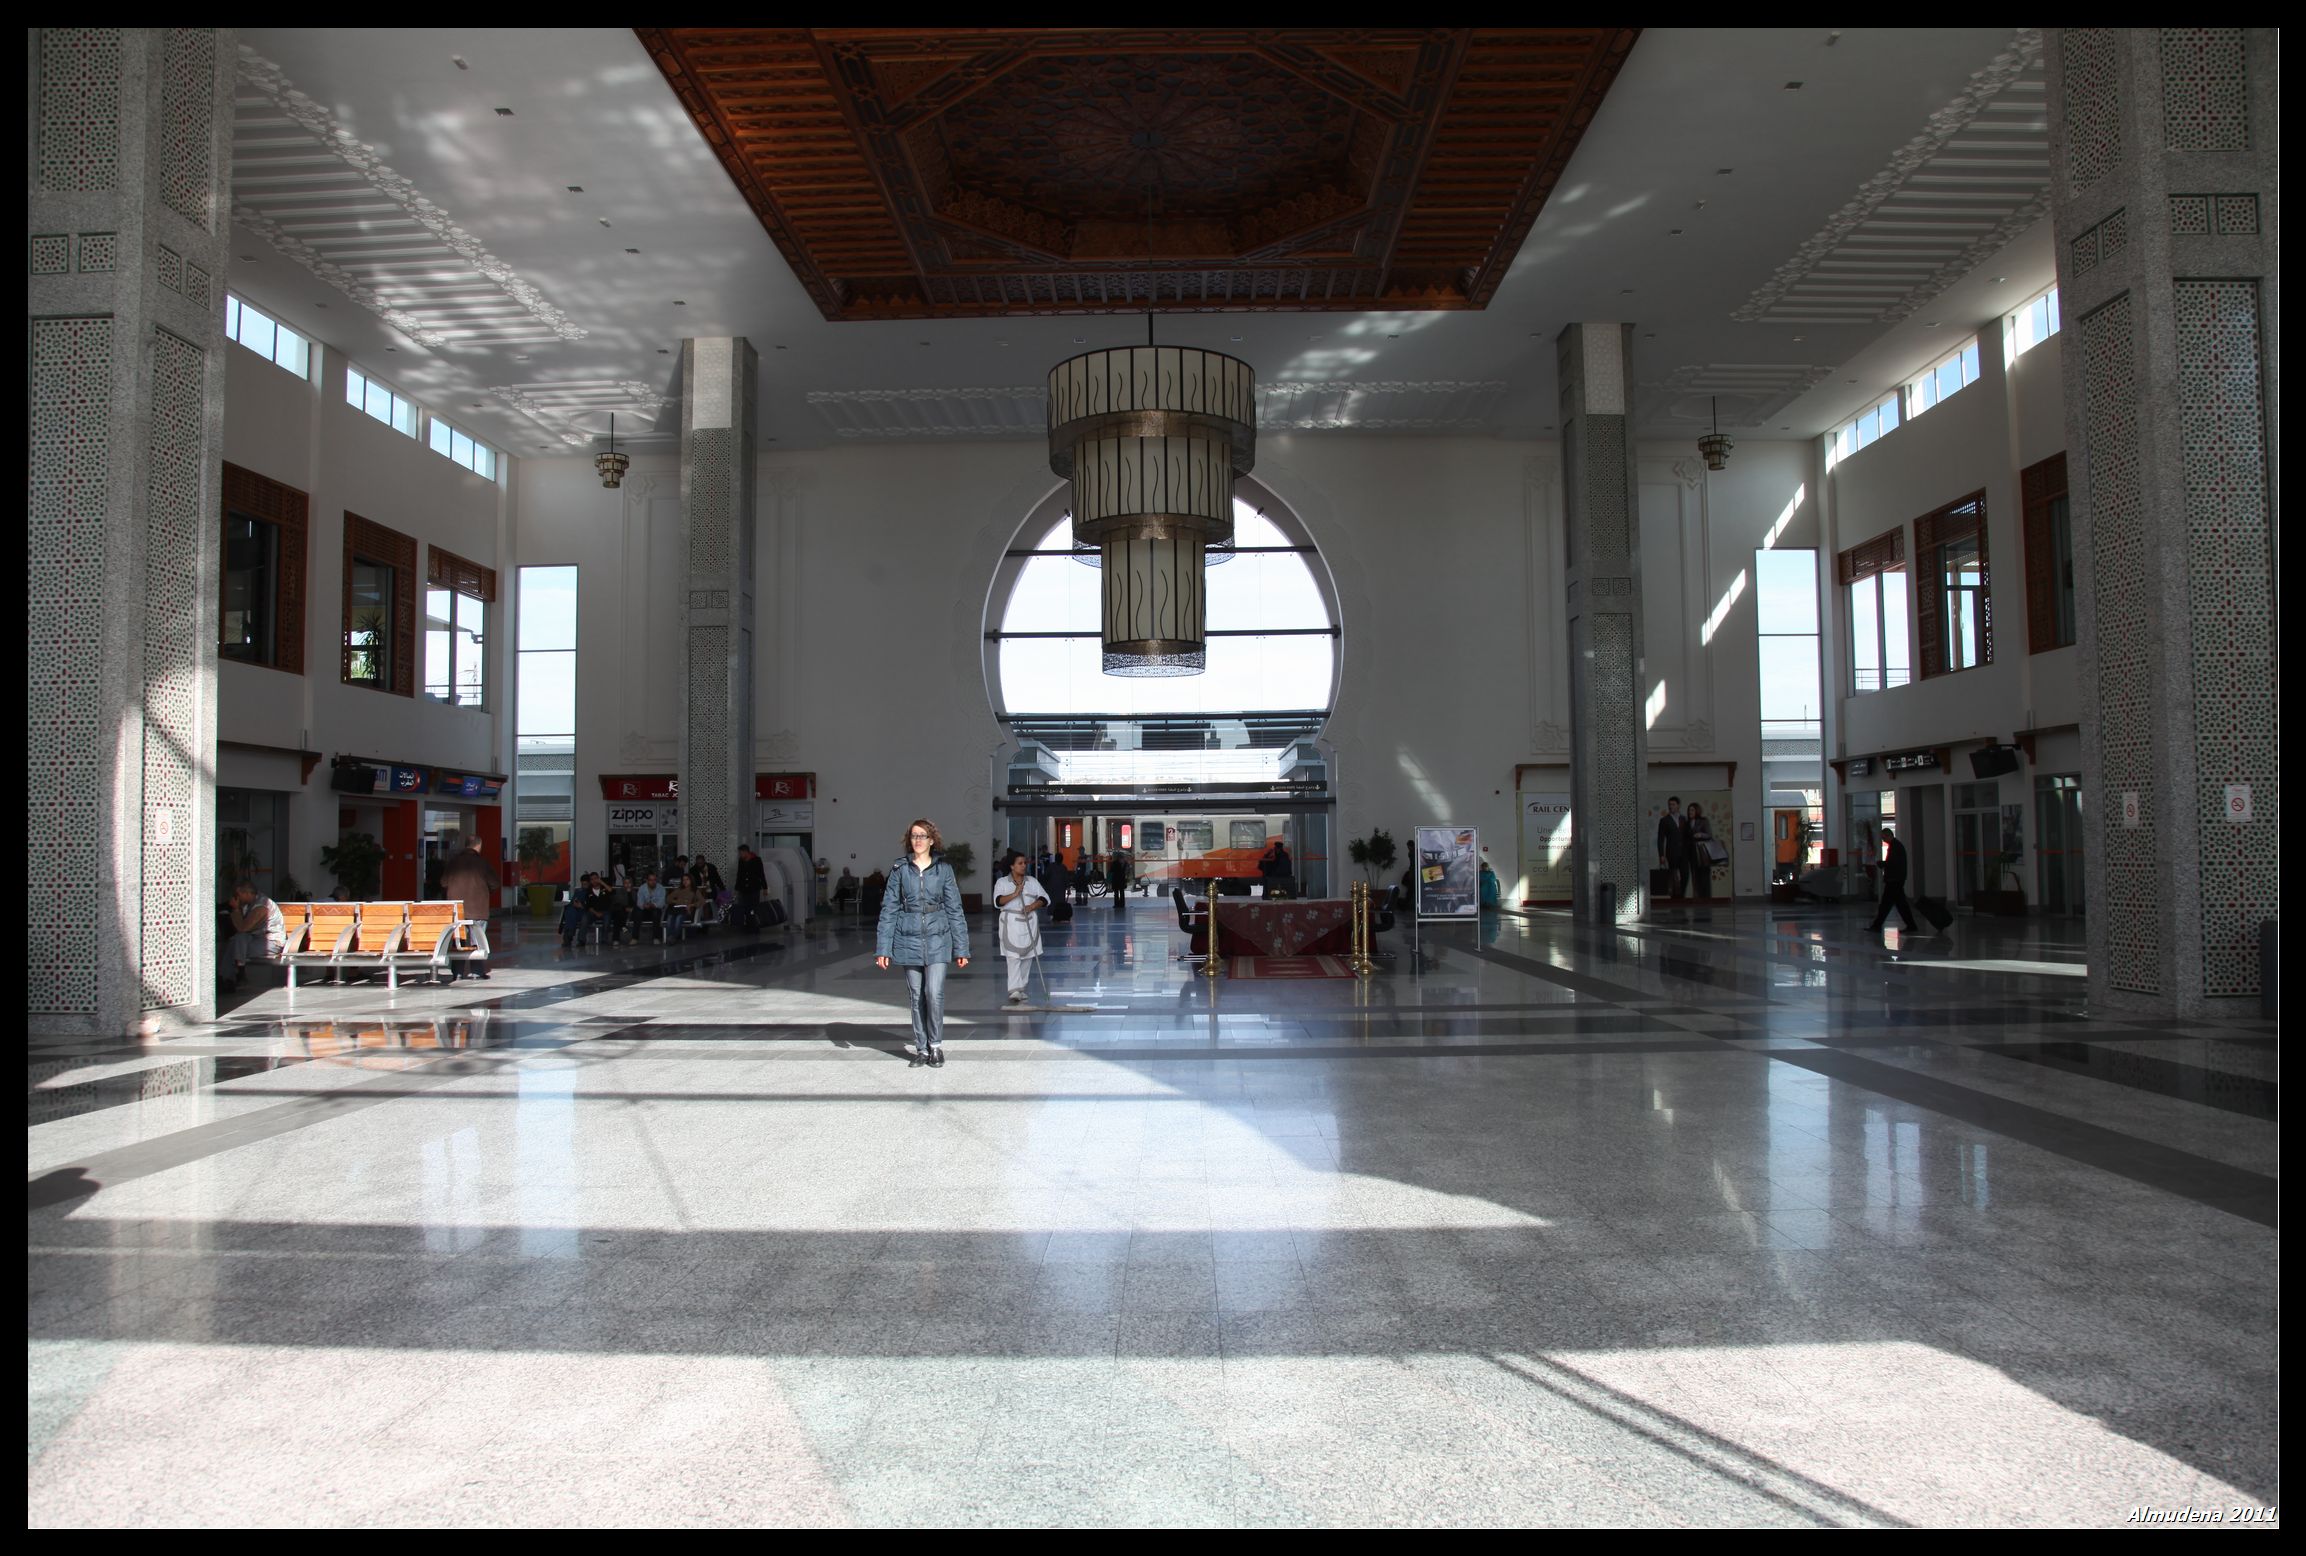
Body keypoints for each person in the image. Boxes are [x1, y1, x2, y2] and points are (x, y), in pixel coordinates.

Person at [875, 817, 970, 1066]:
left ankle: (936, 1045)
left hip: (939, 938)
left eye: (922, 836)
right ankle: (922, 1049)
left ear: (931, 840)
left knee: (934, 992)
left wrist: (961, 947)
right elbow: (888, 910)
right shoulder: (899, 869)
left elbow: (955, 909)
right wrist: (883, 948)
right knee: (916, 995)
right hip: (908, 939)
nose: (917, 840)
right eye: (914, 836)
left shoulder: (944, 869)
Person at [993, 849, 1049, 1004]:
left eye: (1025, 863)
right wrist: (1015, 894)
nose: (1024, 866)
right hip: (1011, 923)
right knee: (1013, 957)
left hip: (1029, 922)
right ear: (1012, 866)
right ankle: (1014, 989)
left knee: (1028, 956)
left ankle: (1021, 987)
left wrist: (1033, 906)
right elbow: (997, 901)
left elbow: (1045, 898)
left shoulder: (1032, 882)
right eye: (1020, 863)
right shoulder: (1002, 882)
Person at [439, 835, 498, 978]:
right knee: (477, 941)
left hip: (457, 911)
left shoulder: (453, 863)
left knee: (459, 941)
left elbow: (443, 883)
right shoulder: (482, 863)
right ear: (478, 846)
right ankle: (476, 971)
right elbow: (494, 883)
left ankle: (457, 972)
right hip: (478, 909)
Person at [220, 879, 286, 990]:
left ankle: (228, 978)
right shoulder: (249, 904)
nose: (237, 898)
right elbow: (242, 930)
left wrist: (236, 909)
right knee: (236, 940)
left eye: (238, 895)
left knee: (233, 944)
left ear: (247, 893)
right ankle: (232, 977)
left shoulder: (262, 905)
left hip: (272, 943)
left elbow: (243, 928)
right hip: (255, 940)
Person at [1865, 825, 1922, 933]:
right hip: (1896, 879)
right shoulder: (1896, 846)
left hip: (1894, 880)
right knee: (1900, 904)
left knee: (1886, 905)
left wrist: (1881, 864)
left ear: (1889, 835)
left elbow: (1893, 863)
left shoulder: (1895, 847)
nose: (1883, 840)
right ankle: (1911, 925)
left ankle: (1877, 926)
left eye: (1884, 838)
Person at [1656, 796, 1689, 898]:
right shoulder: (1664, 820)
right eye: (1669, 805)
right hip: (1672, 852)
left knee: (1685, 874)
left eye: (1673, 804)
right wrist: (1661, 855)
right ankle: (1674, 897)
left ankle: (1681, 895)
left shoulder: (1683, 819)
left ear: (1678, 805)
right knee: (1673, 875)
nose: (1671, 807)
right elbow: (1660, 839)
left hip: (1684, 852)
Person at [1686, 804, 1716, 901]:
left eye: (1692, 810)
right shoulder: (1687, 823)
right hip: (1692, 854)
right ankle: (1697, 897)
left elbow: (1709, 835)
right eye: (1689, 810)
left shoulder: (1703, 821)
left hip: (1702, 854)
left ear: (1697, 811)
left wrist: (1701, 834)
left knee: (1704, 877)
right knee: (1695, 877)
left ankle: (1706, 898)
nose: (1690, 812)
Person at [735, 844, 767, 932]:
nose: (740, 855)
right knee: (744, 907)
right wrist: (737, 887)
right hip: (743, 888)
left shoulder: (757, 860)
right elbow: (739, 874)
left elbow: (761, 874)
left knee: (753, 907)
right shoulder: (741, 861)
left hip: (754, 888)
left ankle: (755, 926)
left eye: (741, 853)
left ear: (746, 852)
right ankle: (746, 926)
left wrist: (765, 887)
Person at [665, 873, 700, 940]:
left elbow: (701, 901)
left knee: (679, 917)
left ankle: (673, 937)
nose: (685, 881)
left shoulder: (694, 891)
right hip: (676, 909)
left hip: (686, 911)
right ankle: (670, 936)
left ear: (691, 880)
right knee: (670, 917)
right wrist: (677, 901)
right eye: (683, 880)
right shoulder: (679, 890)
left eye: (687, 879)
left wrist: (691, 905)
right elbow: (668, 899)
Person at [633, 871, 666, 941]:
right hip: (644, 910)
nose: (653, 882)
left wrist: (653, 905)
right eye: (651, 880)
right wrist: (644, 905)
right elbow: (639, 902)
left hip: (655, 909)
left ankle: (656, 937)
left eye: (654, 880)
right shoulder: (642, 888)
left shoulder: (661, 888)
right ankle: (634, 938)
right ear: (647, 881)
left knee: (656, 913)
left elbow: (662, 902)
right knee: (637, 912)